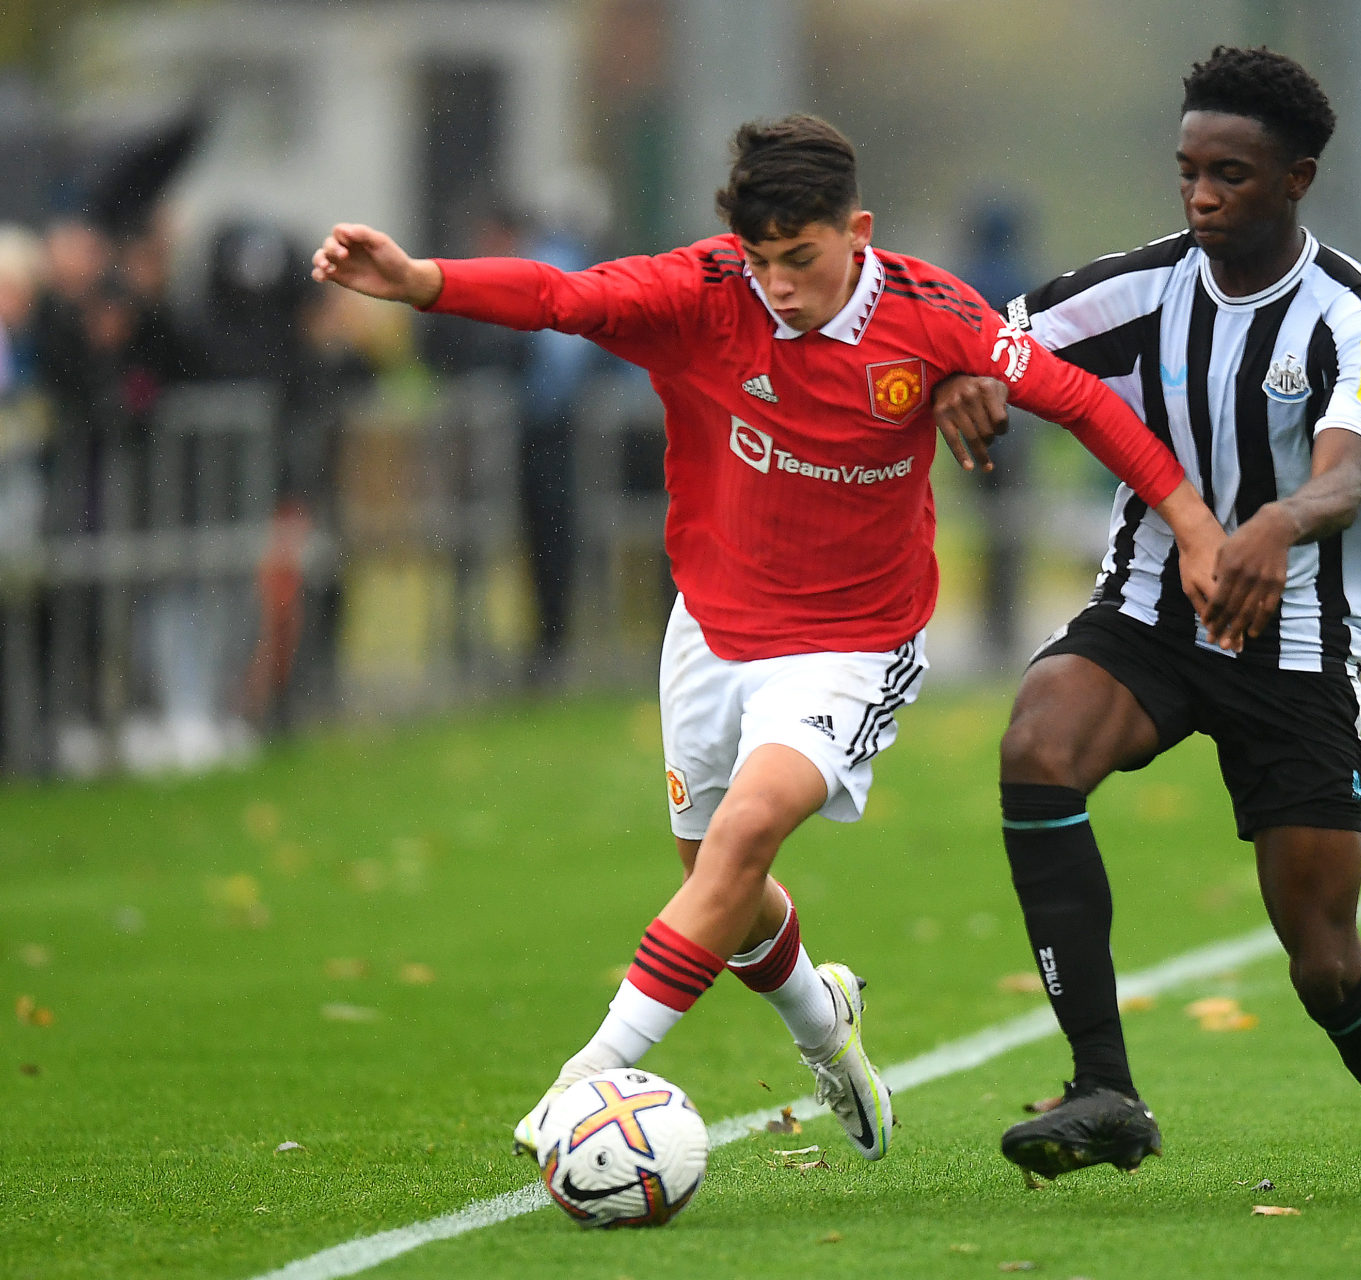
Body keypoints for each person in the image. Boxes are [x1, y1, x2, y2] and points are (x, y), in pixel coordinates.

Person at [311, 115, 1231, 1171]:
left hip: (850, 642)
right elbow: (562, 298)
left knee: (746, 835)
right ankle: (822, 1020)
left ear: (858, 231)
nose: (780, 286)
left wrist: (1196, 530)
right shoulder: (699, 294)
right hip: (710, 627)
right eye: (762, 261)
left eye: (802, 259)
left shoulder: (934, 315)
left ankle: (581, 1087)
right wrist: (422, 278)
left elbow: (1075, 400)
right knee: (722, 887)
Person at [933, 47, 1361, 1201]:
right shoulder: (1138, 288)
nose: (1198, 196)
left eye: (1228, 175)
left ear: (1296, 179)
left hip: (1296, 642)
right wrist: (966, 378)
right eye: (1187, 170)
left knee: (1324, 963)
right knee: (1037, 740)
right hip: (1150, 607)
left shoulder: (1355, 315)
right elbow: (985, 333)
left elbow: (1347, 474)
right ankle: (1105, 1087)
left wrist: (1276, 524)